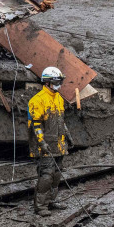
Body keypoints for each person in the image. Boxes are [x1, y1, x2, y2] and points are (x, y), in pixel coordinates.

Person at [27, 66, 69, 214]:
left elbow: (60, 120)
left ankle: (51, 201)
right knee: (46, 175)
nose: (59, 85)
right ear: (47, 82)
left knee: (56, 175)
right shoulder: (37, 101)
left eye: (60, 81)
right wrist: (42, 143)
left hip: (58, 144)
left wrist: (67, 135)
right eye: (57, 82)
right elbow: (35, 125)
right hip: (44, 146)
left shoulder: (58, 97)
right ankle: (41, 207)